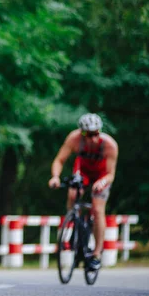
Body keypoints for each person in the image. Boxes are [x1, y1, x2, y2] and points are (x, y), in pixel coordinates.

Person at [48, 113, 119, 270]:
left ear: (100, 131)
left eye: (95, 134)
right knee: (72, 194)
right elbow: (59, 160)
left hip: (102, 176)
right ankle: (73, 220)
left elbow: (110, 174)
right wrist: (55, 177)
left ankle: (96, 254)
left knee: (97, 208)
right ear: (81, 132)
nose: (92, 138)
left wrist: (102, 182)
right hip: (83, 172)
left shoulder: (110, 145)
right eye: (88, 134)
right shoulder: (74, 139)